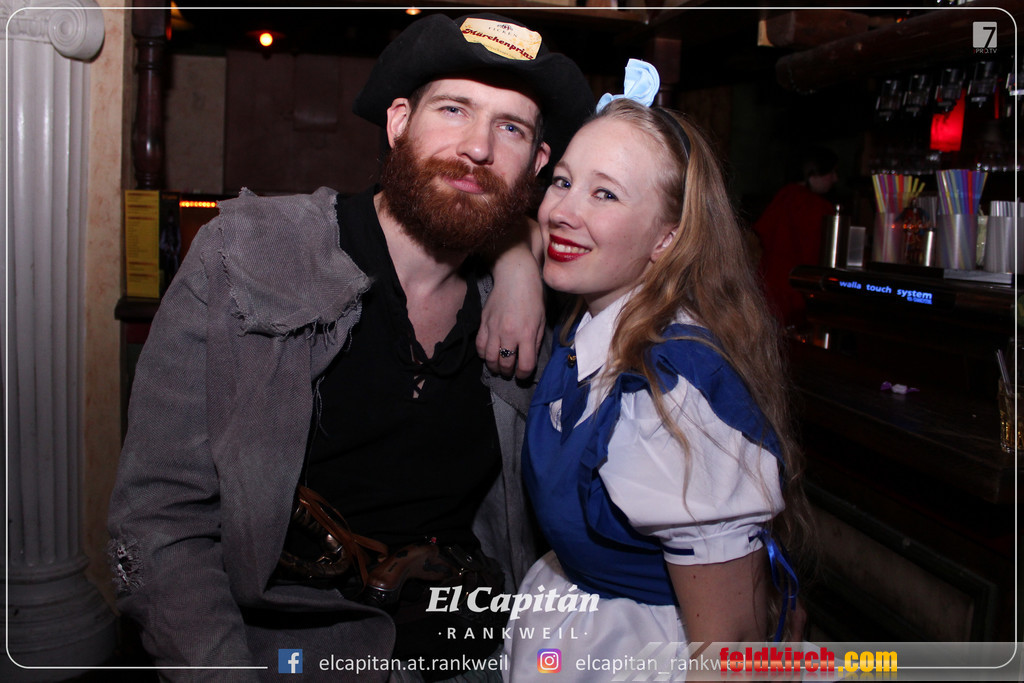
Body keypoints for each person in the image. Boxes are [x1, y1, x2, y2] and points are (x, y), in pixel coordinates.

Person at [107, 13, 593, 681]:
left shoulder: (547, 310)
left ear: (536, 165)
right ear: (399, 123)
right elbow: (160, 521)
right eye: (453, 109)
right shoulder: (245, 253)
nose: (478, 147)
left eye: (510, 128)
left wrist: (520, 262)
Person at [503, 61, 810, 678]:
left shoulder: (667, 392)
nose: (561, 210)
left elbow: (730, 646)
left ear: (667, 239)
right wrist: (513, 268)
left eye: (606, 194)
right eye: (562, 181)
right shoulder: (592, 320)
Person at [753, 145, 839, 329]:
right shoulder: (817, 207)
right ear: (813, 174)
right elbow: (816, 259)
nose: (835, 179)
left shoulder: (783, 196)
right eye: (831, 172)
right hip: (797, 295)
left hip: (766, 290)